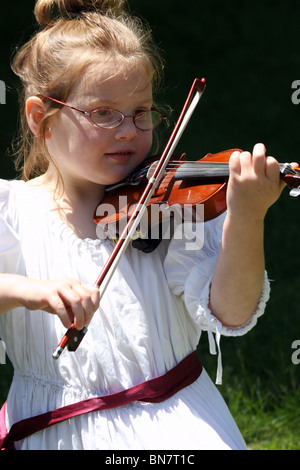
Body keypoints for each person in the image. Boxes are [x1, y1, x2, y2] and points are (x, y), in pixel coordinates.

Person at [0, 0, 287, 450]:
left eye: (142, 112)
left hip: (181, 424)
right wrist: (30, 292)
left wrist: (247, 216)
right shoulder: (12, 211)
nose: (129, 130)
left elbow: (231, 312)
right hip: (61, 429)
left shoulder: (168, 209)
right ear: (41, 119)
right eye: (103, 113)